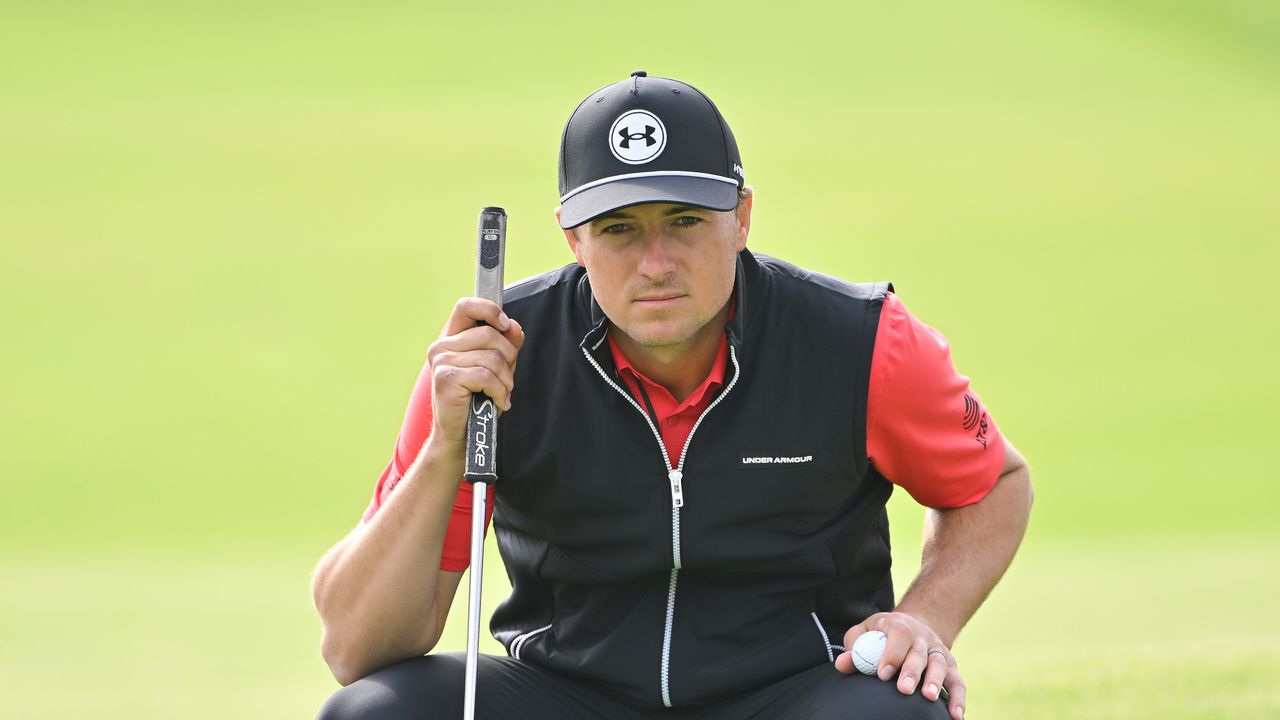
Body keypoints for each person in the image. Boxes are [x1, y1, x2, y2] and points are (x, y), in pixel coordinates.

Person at [311, 71, 1033, 720]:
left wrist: (925, 619)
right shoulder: (497, 355)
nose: (656, 264)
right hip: (568, 694)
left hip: (797, 692)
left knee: (898, 716)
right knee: (373, 713)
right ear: (572, 238)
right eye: (619, 230)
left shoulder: (860, 339)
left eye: (685, 221)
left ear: (742, 216)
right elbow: (355, 647)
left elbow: (993, 482)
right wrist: (445, 446)